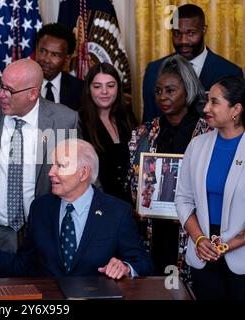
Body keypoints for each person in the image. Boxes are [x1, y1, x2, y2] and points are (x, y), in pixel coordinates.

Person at [0, 139, 153, 279]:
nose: (50, 172)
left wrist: (126, 267)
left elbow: (143, 263)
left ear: (84, 173)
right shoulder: (40, 208)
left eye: (60, 165)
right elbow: (25, 264)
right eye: (52, 165)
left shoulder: (117, 212)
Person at [0, 59, 80, 254]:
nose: (1, 95)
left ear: (33, 93)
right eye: (1, 86)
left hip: (44, 235)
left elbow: (80, 179)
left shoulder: (65, 120)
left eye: (9, 90)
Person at [129, 55, 211, 277]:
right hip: (153, 230)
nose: (162, 97)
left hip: (195, 232)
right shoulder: (143, 133)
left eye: (170, 90)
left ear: (188, 89)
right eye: (158, 91)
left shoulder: (208, 133)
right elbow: (133, 183)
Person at [176, 76, 245, 299]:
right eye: (207, 101)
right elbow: (183, 199)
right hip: (203, 255)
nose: (206, 108)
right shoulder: (197, 145)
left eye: (214, 102)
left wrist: (227, 245)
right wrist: (199, 240)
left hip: (241, 256)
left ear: (236, 109)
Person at [142, 4, 242, 122]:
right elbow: (148, 122)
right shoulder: (154, 70)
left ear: (204, 30)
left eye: (191, 33)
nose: (183, 41)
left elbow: (235, 123)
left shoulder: (229, 71)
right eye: (177, 33)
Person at [79, 63, 137, 203]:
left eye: (110, 86)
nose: (104, 91)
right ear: (89, 89)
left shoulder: (128, 117)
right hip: (97, 203)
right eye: (97, 86)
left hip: (130, 203)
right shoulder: (79, 121)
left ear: (118, 88)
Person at [35, 23, 83, 111]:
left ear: (67, 59)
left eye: (55, 55)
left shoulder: (80, 90)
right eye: (43, 51)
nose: (46, 60)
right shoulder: (19, 84)